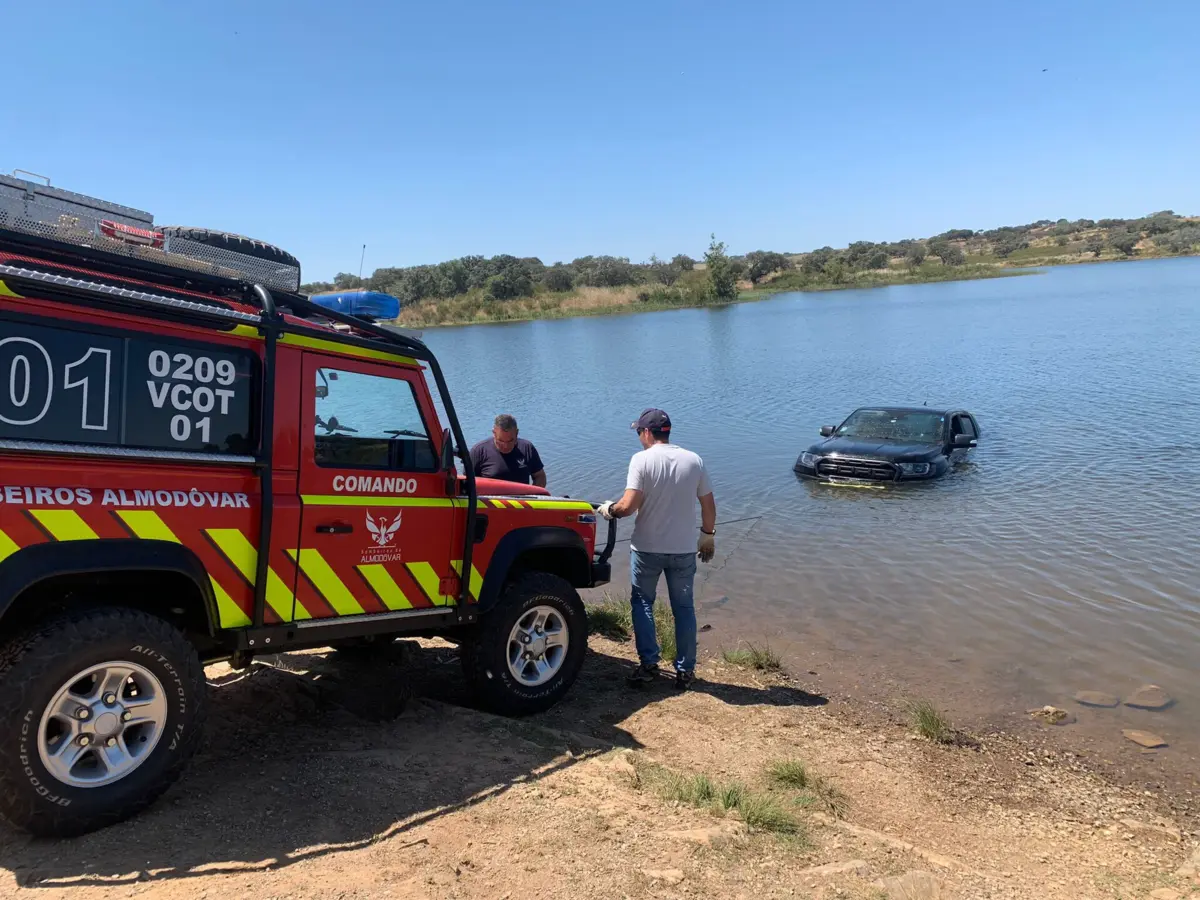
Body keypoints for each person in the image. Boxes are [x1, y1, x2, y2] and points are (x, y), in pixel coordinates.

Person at [598, 408, 716, 690]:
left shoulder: (641, 460)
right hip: (684, 550)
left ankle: (649, 665)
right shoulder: (694, 460)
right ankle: (685, 671)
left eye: (639, 432)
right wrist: (707, 535)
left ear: (648, 432)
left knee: (642, 604)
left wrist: (609, 510)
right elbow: (708, 505)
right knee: (684, 609)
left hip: (647, 549)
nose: (639, 437)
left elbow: (628, 506)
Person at [469, 414, 547, 487]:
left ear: (517, 433)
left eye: (510, 441)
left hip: (522, 500)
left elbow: (539, 476)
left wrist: (533, 496)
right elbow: (468, 483)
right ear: (494, 433)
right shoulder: (478, 451)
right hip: (491, 500)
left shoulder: (527, 448)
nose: (506, 446)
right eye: (501, 441)